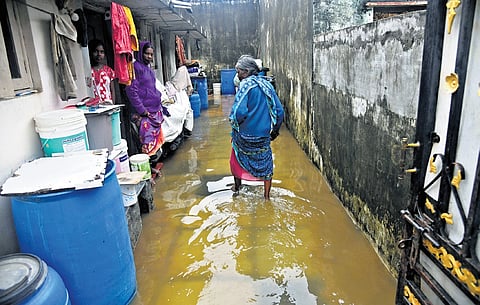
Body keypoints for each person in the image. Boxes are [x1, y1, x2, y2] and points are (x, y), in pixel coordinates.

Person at [229, 55, 284, 200]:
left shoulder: (245, 85)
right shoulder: (267, 85)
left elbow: (239, 112)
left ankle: (237, 187)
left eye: (238, 71)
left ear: (246, 72)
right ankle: (266, 196)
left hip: (245, 136)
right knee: (266, 164)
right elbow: (279, 111)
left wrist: (235, 125)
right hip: (263, 136)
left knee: (235, 155)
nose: (237, 74)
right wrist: (275, 131)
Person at [126, 41, 170, 157]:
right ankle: (147, 167)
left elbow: (151, 88)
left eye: (151, 54)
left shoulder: (148, 69)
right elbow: (131, 91)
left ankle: (152, 165)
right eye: (146, 54)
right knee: (147, 144)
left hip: (154, 111)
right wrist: (142, 110)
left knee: (154, 145)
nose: (149, 57)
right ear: (140, 53)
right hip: (145, 113)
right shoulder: (136, 68)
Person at [88, 39, 116, 104]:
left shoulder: (109, 71)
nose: (99, 54)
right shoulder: (87, 71)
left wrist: (113, 105)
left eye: (102, 52)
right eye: (96, 51)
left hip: (108, 106)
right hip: (93, 108)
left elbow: (112, 90)